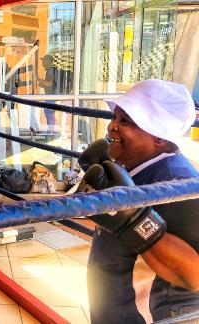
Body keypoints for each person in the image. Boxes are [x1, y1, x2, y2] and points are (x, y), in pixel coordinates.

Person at [77, 79, 199, 323]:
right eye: (115, 117)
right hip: (116, 310)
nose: (112, 126)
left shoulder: (177, 182)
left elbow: (194, 275)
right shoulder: (130, 170)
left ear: (159, 137)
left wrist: (134, 220)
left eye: (126, 122)